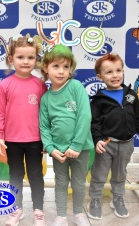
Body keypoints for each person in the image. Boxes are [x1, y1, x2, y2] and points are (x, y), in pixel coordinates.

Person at [87, 53, 139, 220]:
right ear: (100, 77)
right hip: (106, 145)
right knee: (99, 174)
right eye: (109, 72)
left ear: (123, 71)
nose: (115, 75)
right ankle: (95, 200)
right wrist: (97, 140)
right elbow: (94, 124)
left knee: (120, 174)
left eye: (118, 70)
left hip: (127, 144)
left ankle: (118, 198)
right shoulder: (98, 100)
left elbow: (138, 120)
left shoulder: (131, 95)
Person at [0, 35, 47, 226]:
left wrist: (47, 140)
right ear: (11, 59)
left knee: (35, 175)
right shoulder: (5, 85)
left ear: (36, 59)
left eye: (30, 58)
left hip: (35, 140)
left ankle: (38, 211)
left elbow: (46, 114)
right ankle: (16, 209)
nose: (25, 62)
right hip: (12, 141)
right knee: (14, 175)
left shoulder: (40, 85)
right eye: (20, 57)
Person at [39, 44, 93, 226]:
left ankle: (78, 213)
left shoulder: (76, 86)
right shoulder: (46, 98)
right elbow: (44, 127)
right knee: (60, 183)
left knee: (78, 184)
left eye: (66, 67)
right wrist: (51, 148)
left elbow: (85, 116)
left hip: (81, 148)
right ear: (46, 68)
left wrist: (76, 146)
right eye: (56, 66)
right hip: (59, 152)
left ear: (71, 69)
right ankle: (61, 215)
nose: (61, 71)